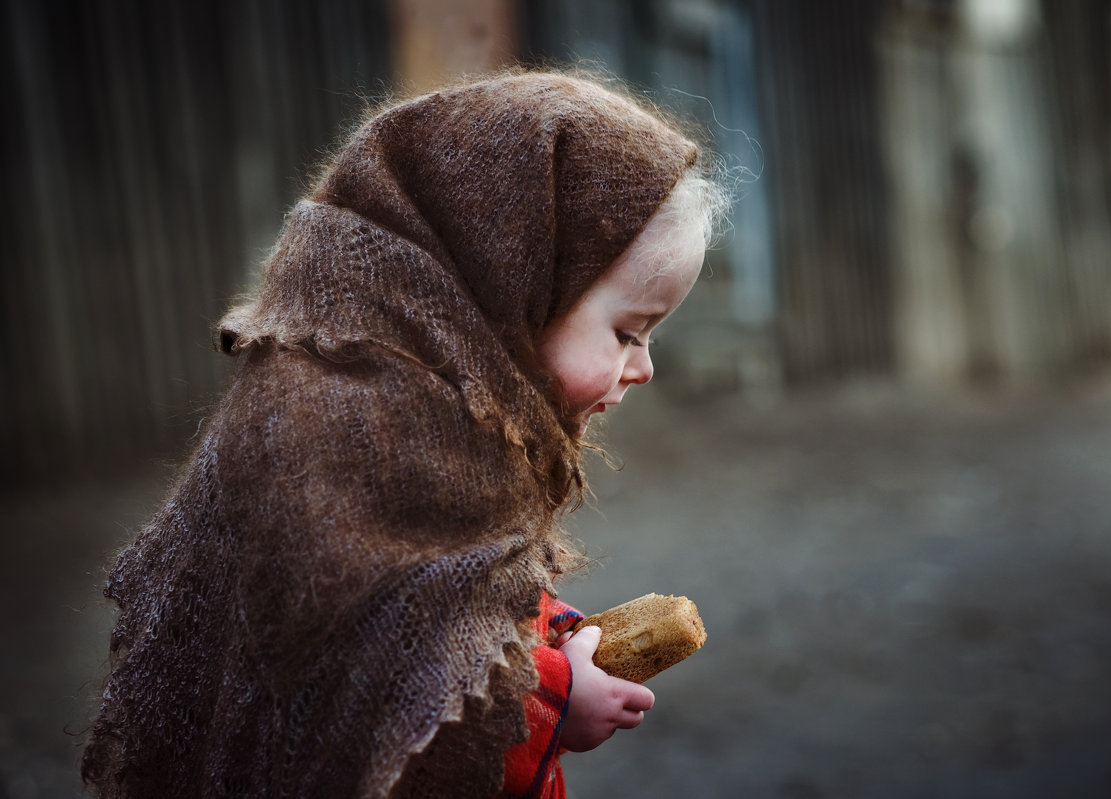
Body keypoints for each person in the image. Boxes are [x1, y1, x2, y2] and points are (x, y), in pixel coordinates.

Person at [81, 70, 727, 798]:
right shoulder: (344, 428)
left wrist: (548, 635)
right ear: (511, 281)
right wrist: (544, 699)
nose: (643, 367)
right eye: (628, 330)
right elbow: (374, 689)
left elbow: (446, 593)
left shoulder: (453, 415)